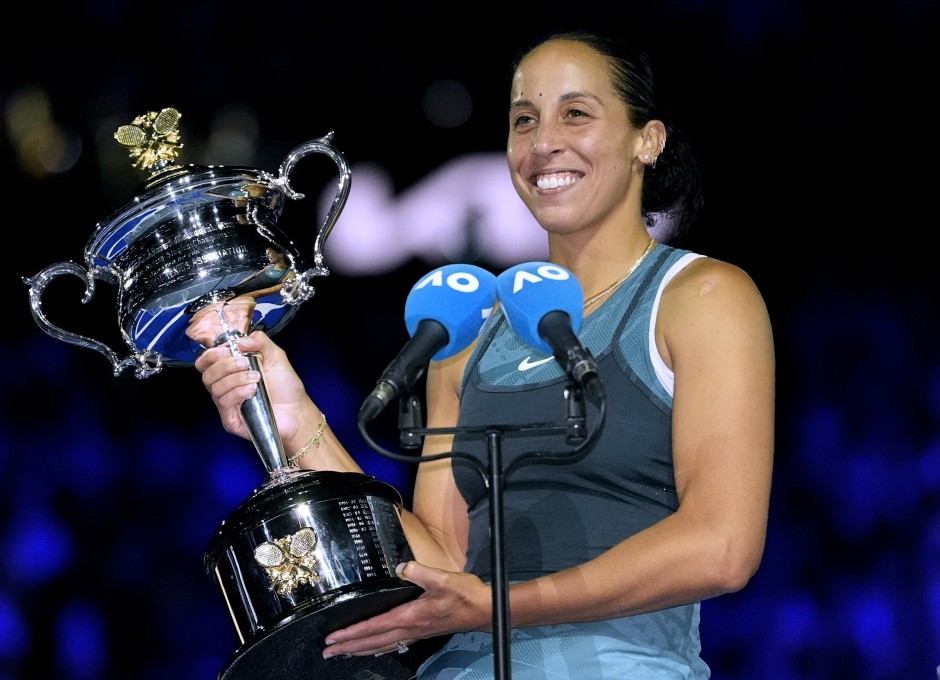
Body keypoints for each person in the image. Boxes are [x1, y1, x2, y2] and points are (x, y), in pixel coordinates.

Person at [194, 30, 775, 679]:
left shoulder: (701, 296)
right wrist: (298, 419)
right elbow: (441, 566)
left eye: (575, 114)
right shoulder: (467, 331)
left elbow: (722, 548)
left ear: (648, 140)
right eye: (524, 120)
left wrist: (496, 606)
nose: (543, 141)